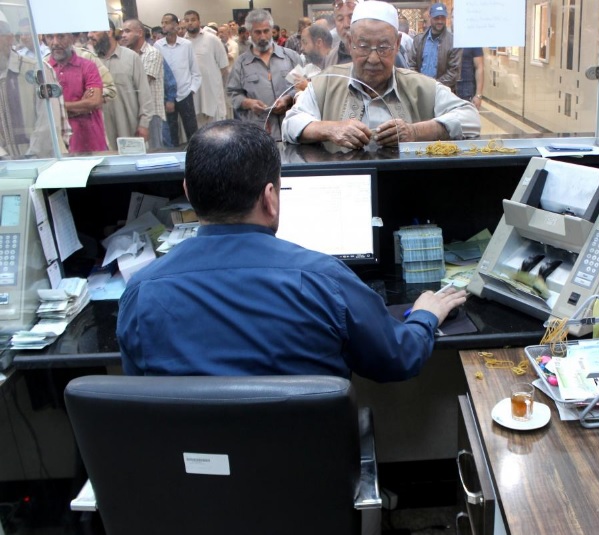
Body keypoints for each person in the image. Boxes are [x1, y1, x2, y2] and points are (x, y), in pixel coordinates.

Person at [117, 120, 466, 379]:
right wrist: (425, 315)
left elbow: (143, 391)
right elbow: (398, 359)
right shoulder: (324, 281)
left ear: (188, 192)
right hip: (305, 458)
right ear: (270, 197)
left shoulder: (140, 291)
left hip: (191, 459)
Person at [282, 1, 480, 148]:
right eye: (363, 46)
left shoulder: (420, 86)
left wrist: (416, 131)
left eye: (384, 47)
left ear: (397, 44)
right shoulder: (326, 83)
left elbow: (470, 118)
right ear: (350, 43)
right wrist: (330, 129)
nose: (373, 58)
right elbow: (290, 124)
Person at [226, 9, 301, 141]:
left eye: (266, 31)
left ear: (272, 30)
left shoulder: (291, 57)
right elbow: (232, 94)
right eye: (258, 32)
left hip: (292, 129)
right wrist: (248, 103)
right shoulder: (241, 64)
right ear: (249, 33)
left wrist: (288, 99)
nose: (263, 37)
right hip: (258, 134)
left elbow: (304, 87)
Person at [0, 20, 69, 158]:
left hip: (44, 160)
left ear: (9, 38)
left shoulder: (36, 69)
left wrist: (30, 159)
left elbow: (48, 122)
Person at [89, 21, 154, 150]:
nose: (90, 35)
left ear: (109, 32)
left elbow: (144, 93)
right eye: (89, 32)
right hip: (101, 131)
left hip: (129, 128)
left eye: (94, 31)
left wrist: (144, 124)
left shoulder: (131, 58)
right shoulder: (90, 61)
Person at [47, 32, 107, 152]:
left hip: (90, 142)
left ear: (73, 38)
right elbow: (41, 109)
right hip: (58, 146)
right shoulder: (44, 69)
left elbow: (95, 101)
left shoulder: (88, 66)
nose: (55, 43)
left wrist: (56, 107)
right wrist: (81, 106)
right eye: (50, 37)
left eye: (61, 36)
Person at [155, 13, 201, 145]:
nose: (163, 25)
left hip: (185, 93)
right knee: (171, 131)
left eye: (166, 22)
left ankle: (195, 152)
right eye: (162, 23)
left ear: (175, 25)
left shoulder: (186, 44)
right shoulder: (157, 46)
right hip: (167, 96)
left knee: (191, 129)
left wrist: (192, 90)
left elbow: (194, 70)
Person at [121, 19, 167, 149]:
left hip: (151, 114)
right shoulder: (126, 55)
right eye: (122, 31)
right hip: (132, 113)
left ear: (140, 33)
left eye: (127, 31)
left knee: (154, 153)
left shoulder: (152, 53)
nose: (123, 35)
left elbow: (142, 83)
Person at [183, 10, 229, 127]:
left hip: (212, 93)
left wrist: (214, 82)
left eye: (193, 20)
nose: (190, 23)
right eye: (187, 20)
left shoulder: (212, 39)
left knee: (217, 130)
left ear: (199, 21)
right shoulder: (183, 42)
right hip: (194, 94)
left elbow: (224, 67)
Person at [409, 3, 461, 92]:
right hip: (420, 90)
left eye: (442, 18)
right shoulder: (419, 40)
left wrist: (433, 86)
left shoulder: (453, 42)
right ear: (430, 17)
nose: (440, 21)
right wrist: (419, 84)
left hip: (443, 92)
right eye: (437, 18)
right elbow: (412, 65)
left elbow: (454, 72)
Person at [325, 0, 356, 66]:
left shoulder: (374, 55)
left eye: (351, 17)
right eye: (340, 19)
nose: (346, 25)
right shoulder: (331, 58)